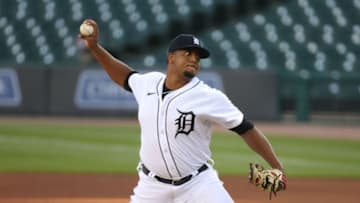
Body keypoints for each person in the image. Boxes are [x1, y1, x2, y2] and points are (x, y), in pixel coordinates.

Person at [80, 19, 286, 203]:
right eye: (188, 53)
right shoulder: (149, 83)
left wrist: (277, 167)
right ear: (171, 57)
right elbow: (125, 76)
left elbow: (247, 129)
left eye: (198, 56)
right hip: (152, 187)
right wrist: (95, 48)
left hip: (198, 185)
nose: (194, 59)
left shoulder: (208, 96)